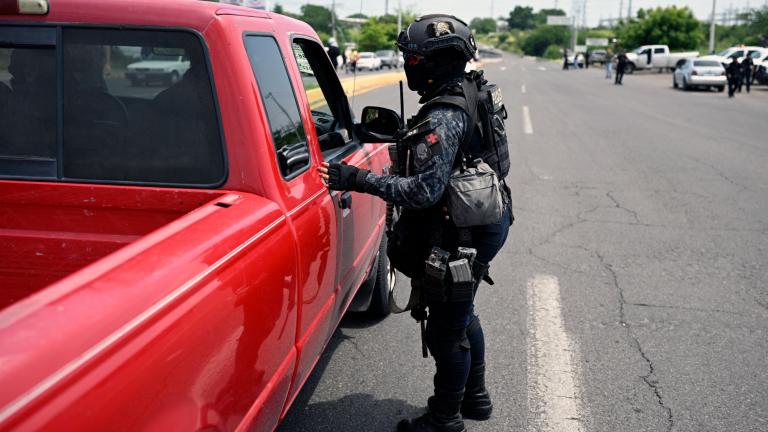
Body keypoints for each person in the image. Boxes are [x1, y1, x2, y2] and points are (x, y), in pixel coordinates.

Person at [319, 14, 512, 432]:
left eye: (413, 58)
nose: (407, 64)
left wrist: (358, 179)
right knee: (463, 313)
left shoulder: (443, 115)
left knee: (447, 330)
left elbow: (423, 192)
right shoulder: (470, 88)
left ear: (434, 63)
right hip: (486, 219)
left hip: (463, 232)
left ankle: (445, 420)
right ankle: (475, 399)